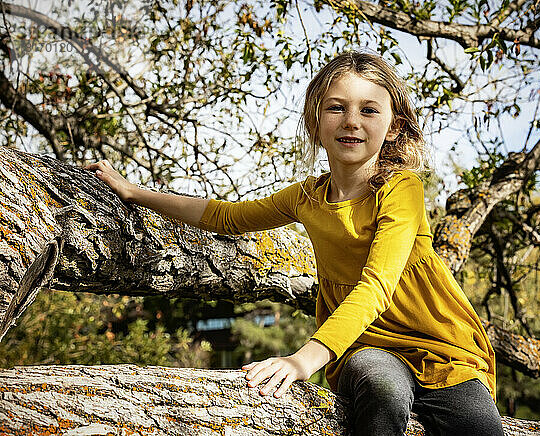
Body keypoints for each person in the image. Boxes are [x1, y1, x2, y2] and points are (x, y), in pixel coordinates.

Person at [85, 50, 503, 435]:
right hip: (367, 344)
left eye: (368, 110)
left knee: (480, 428)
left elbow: (377, 284)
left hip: (443, 346)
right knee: (382, 392)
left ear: (392, 127)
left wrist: (301, 360)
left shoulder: (401, 189)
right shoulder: (305, 198)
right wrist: (135, 193)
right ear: (315, 121)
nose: (351, 121)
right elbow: (226, 216)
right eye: (336, 108)